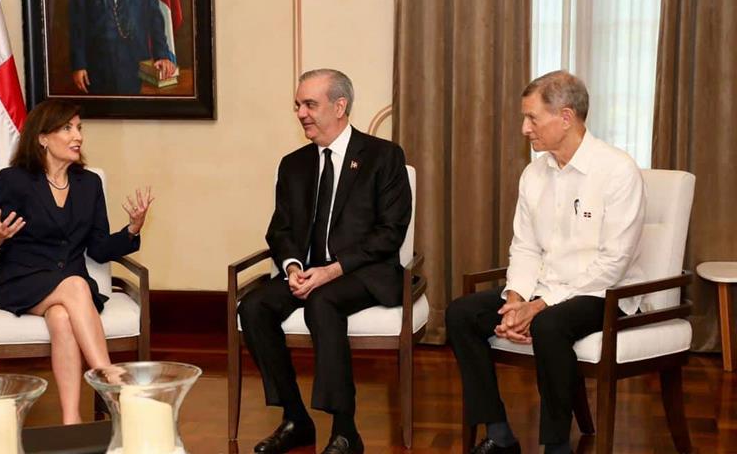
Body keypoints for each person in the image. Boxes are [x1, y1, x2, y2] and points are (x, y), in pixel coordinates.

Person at [446, 71, 646, 454]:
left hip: (603, 293)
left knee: (550, 324)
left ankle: (556, 445)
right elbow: (524, 246)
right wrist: (517, 298)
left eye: (532, 118)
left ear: (566, 118)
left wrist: (539, 306)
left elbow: (613, 262)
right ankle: (499, 431)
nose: (524, 128)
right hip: (543, 289)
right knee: (462, 313)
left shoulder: (617, 170)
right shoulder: (534, 173)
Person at [238, 69, 412, 454]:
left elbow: (390, 233)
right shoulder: (293, 164)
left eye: (309, 104)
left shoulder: (383, 157)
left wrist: (333, 269)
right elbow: (280, 230)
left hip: (361, 271)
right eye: (297, 105)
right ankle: (295, 417)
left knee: (323, 301)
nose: (301, 113)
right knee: (253, 307)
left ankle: (346, 430)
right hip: (307, 270)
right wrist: (294, 267)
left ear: (340, 106)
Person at [0, 99, 153, 424]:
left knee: (61, 318)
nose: (78, 136)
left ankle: (71, 422)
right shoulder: (14, 180)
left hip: (69, 291)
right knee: (75, 286)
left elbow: (99, 248)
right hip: (22, 281)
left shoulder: (89, 184)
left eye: (79, 128)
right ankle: (110, 379)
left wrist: (131, 230)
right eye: (67, 128)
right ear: (42, 138)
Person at [69, 0, 177, 95]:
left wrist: (162, 54)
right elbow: (77, 18)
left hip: (135, 61)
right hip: (96, 61)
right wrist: (79, 64)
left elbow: (153, 13)